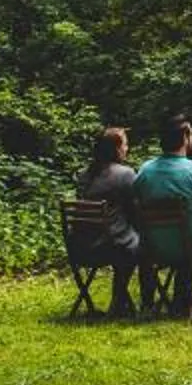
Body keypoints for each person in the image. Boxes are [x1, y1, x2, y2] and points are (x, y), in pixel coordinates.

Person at [131, 115, 192, 312]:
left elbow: (135, 206)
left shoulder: (145, 170)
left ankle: (175, 294)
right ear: (186, 137)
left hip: (153, 246)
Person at [72, 126, 145, 317]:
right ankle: (123, 301)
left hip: (80, 246)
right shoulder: (125, 174)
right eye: (126, 144)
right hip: (109, 247)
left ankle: (120, 302)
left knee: (127, 241)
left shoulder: (83, 175)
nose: (127, 149)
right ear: (117, 148)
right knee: (140, 245)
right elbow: (136, 211)